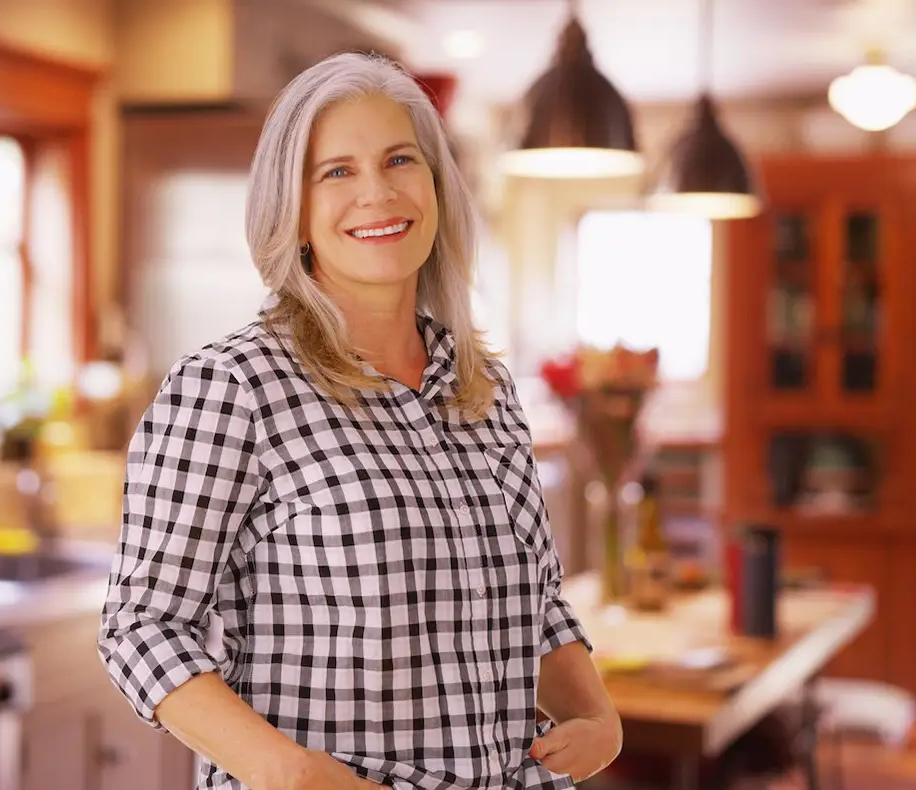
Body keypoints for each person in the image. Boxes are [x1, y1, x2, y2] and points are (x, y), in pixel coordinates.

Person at [98, 51, 621, 790]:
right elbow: (142, 630)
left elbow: (538, 601)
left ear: (436, 186)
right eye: (335, 172)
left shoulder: (485, 392)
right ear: (295, 209)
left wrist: (597, 716)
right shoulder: (232, 388)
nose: (376, 193)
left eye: (399, 160)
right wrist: (291, 773)